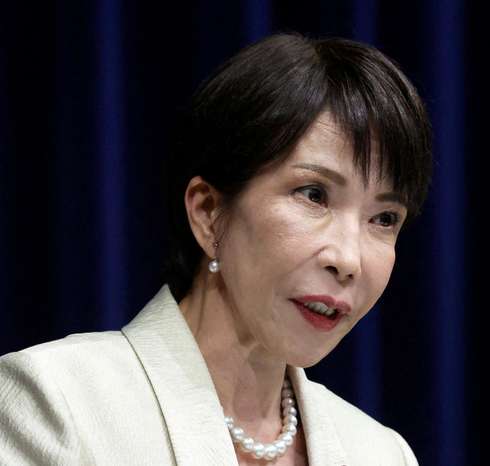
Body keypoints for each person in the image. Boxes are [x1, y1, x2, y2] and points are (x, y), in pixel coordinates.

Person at [0, 33, 431, 465]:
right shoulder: (59, 404)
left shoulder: (380, 452)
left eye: (384, 218)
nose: (349, 260)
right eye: (314, 195)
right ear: (208, 212)